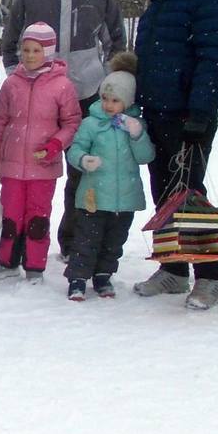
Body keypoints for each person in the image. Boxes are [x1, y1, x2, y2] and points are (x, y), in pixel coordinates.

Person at [0, 0, 126, 261]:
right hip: (39, 97)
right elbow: (10, 46)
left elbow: (117, 42)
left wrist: (110, 85)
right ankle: (23, 242)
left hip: (87, 94)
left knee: (83, 171)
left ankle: (74, 242)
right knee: (30, 170)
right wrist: (21, 81)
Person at [131, 0, 218, 310]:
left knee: (189, 196)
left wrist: (201, 110)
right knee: (164, 196)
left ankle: (211, 277)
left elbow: (214, 59)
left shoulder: (208, 1)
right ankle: (173, 269)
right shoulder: (157, 6)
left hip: (190, 115)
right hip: (156, 112)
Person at [0, 23, 81, 283]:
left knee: (38, 216)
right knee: (11, 214)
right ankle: (6, 261)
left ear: (47, 52)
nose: (29, 55)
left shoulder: (62, 86)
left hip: (43, 165)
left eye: (36, 50)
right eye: (25, 49)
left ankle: (35, 265)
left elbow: (72, 122)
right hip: (11, 165)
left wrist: (55, 144)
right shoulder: (11, 84)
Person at [63, 53, 154, 300]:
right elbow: (75, 149)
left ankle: (103, 275)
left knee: (114, 241)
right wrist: (83, 160)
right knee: (86, 239)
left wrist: (137, 134)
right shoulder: (91, 123)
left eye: (115, 100)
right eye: (105, 98)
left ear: (128, 101)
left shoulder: (135, 124)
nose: (108, 104)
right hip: (94, 196)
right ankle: (78, 277)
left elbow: (146, 156)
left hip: (124, 198)